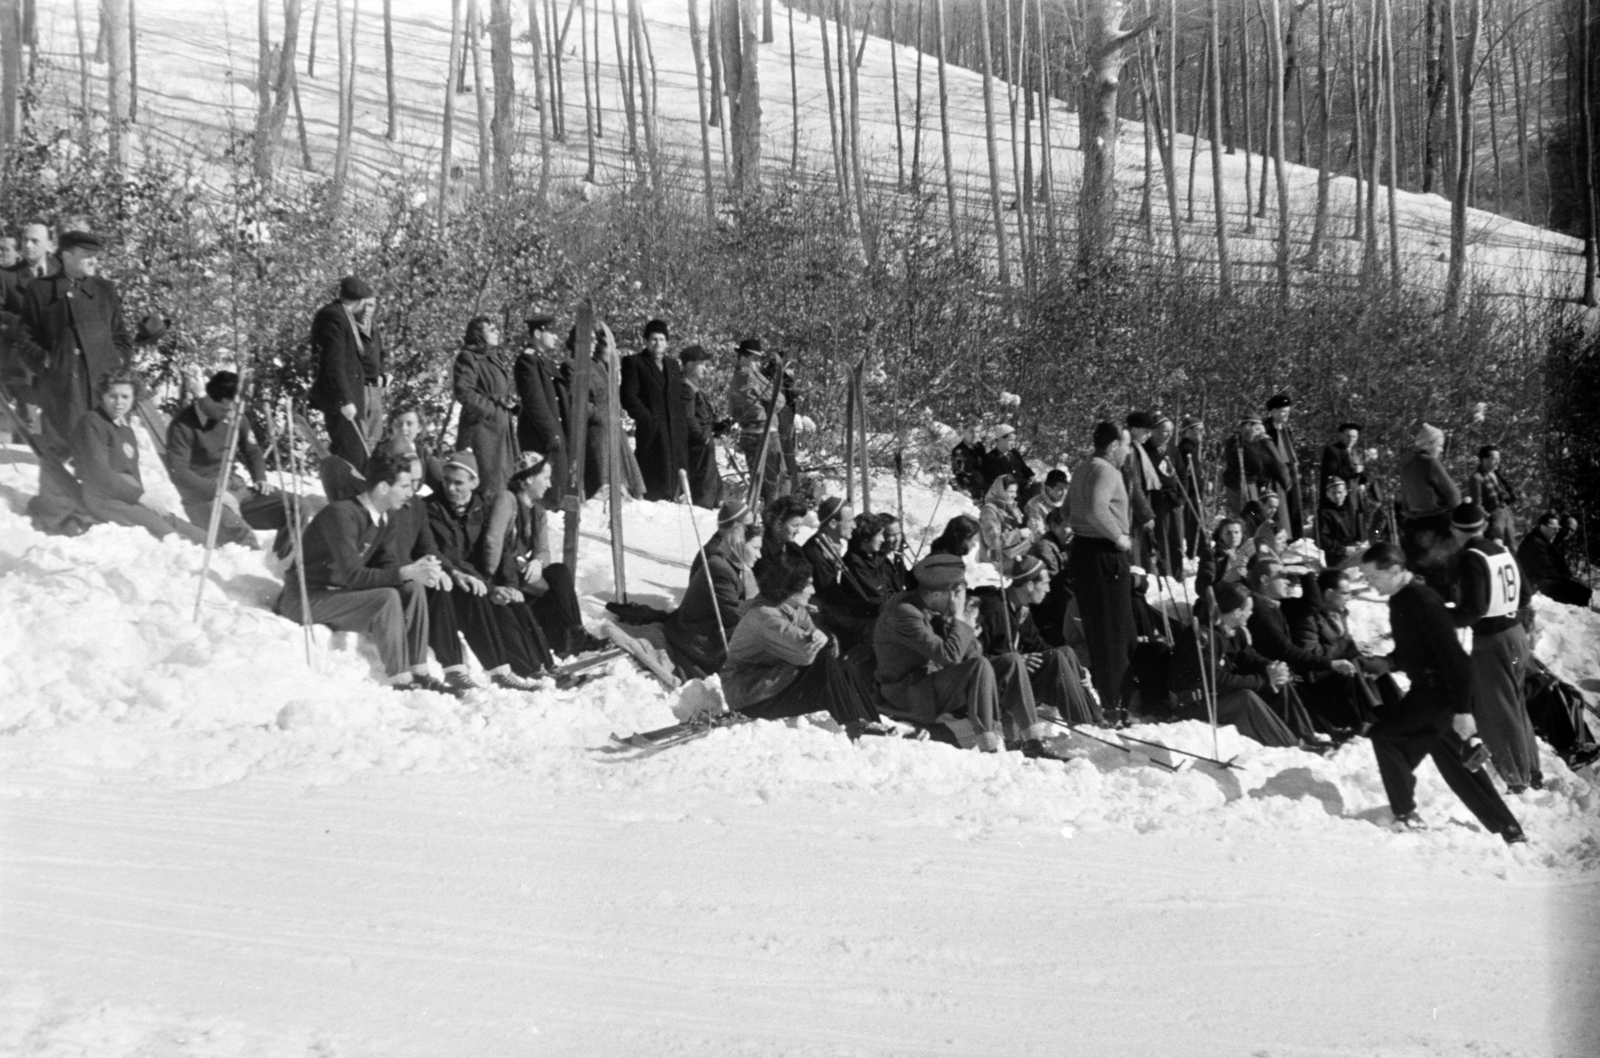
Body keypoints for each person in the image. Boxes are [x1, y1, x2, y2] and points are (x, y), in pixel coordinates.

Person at [1357, 542, 1525, 841]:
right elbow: (1418, 648)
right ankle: (1508, 829)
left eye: (1373, 576)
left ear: (1394, 570)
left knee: (1386, 738)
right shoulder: (1400, 599)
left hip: (1441, 693)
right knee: (1458, 762)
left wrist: (1463, 711)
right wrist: (1389, 662)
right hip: (1431, 690)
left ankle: (1406, 814)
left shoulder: (1423, 601)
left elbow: (1457, 660)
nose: (1369, 583)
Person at [275, 444, 447, 691]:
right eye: (405, 486)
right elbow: (354, 575)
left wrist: (419, 573)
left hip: (338, 595)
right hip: (305, 597)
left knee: (412, 588)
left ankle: (419, 671)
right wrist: (406, 572)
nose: (411, 493)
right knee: (386, 597)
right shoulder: (341, 514)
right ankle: (401, 680)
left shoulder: (385, 516)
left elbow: (389, 562)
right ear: (384, 487)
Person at [874, 553, 1048, 755]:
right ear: (937, 594)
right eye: (957, 594)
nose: (958, 600)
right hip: (910, 692)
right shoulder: (905, 613)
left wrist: (967, 630)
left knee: (1012, 661)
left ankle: (1033, 742)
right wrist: (960, 620)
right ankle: (988, 746)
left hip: (933, 682)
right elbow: (949, 656)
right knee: (978, 667)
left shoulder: (931, 606)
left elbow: (970, 655)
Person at [424, 450, 556, 690]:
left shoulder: (481, 507)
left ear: (474, 483)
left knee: (513, 603)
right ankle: (501, 671)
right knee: (482, 599)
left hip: (478, 579)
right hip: (454, 579)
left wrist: (508, 585)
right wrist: (488, 586)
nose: (450, 488)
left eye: (458, 483)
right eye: (446, 481)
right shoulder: (433, 508)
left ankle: (541, 666)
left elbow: (501, 549)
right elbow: (447, 554)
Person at [720, 555, 885, 736]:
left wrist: (825, 638)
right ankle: (853, 725)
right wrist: (824, 639)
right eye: (808, 585)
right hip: (750, 696)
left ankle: (872, 722)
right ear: (789, 588)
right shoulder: (764, 616)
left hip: (771, 683)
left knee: (843, 665)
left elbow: (822, 644)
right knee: (823, 662)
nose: (813, 591)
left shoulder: (793, 610)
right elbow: (807, 652)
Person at [1448, 503, 1540, 792]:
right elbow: (1525, 594)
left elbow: (1474, 610)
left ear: (1454, 530)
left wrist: (1444, 617)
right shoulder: (1502, 550)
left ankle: (1516, 777)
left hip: (1492, 640)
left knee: (1499, 710)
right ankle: (1531, 769)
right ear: (1484, 524)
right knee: (1515, 704)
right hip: (1516, 634)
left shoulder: (1471, 557)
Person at [482, 456, 602, 658]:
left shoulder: (537, 511)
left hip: (518, 574)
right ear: (529, 479)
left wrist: (537, 561)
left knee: (558, 571)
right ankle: (570, 638)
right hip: (503, 577)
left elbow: (544, 550)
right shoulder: (507, 500)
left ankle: (574, 634)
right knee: (553, 580)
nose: (549, 484)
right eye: (545, 478)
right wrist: (490, 581)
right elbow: (492, 541)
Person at [165, 370, 299, 549]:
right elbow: (178, 472)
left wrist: (260, 477)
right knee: (244, 537)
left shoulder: (235, 415)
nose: (231, 416)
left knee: (296, 506)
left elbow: (252, 450)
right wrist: (217, 492)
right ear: (209, 399)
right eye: (225, 410)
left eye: (235, 410)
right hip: (205, 498)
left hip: (238, 489)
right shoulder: (182, 426)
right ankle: (250, 566)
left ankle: (286, 561)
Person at [70, 369, 204, 542]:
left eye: (125, 397)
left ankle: (215, 547)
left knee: (188, 530)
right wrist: (141, 497)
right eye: (113, 396)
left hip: (128, 495)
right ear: (102, 396)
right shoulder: (92, 422)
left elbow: (133, 474)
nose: (119, 402)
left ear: (134, 398)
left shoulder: (126, 430)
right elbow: (99, 473)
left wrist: (141, 497)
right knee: (169, 535)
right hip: (104, 498)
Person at [1172, 583, 1309, 748]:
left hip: (1217, 696)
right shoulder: (1202, 638)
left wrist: (1272, 668)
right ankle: (1290, 745)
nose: (1251, 613)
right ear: (1237, 612)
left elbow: (1250, 658)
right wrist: (1264, 680)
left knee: (1280, 681)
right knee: (1246, 698)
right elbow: (1217, 680)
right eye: (1249, 610)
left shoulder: (1234, 632)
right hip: (1195, 703)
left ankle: (1305, 736)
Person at [976, 555, 1100, 728]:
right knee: (1056, 658)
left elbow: (1039, 646)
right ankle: (1083, 724)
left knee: (1065, 653)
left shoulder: (1021, 610)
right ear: (1030, 585)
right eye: (1045, 583)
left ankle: (1095, 718)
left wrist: (1077, 670)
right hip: (996, 682)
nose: (1048, 589)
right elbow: (974, 656)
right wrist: (1014, 661)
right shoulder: (994, 608)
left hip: (1015, 677)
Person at [1065, 421, 1136, 714]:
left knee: (1098, 629)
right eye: (1126, 445)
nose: (1128, 452)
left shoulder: (1083, 468)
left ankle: (1110, 697)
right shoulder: (1107, 471)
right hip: (1104, 554)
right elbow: (1097, 508)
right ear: (1113, 445)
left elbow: (1066, 511)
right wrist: (1118, 536)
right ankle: (1115, 701)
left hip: (1082, 551)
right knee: (1113, 631)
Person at [1244, 558, 1346, 741]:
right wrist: (1329, 663)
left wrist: (1306, 575)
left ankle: (1323, 733)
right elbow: (1285, 650)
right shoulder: (1259, 610)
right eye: (1281, 576)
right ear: (1265, 580)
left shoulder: (1275, 604)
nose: (1288, 581)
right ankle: (1308, 737)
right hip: (1269, 672)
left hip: (1285, 670)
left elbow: (1313, 604)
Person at [1290, 568, 1396, 733]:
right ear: (1328, 594)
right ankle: (1371, 717)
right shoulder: (1308, 618)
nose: (1349, 598)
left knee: (1378, 666)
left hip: (1342, 668)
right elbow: (1310, 652)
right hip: (1320, 676)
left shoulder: (1340, 613)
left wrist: (1359, 648)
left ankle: (1396, 711)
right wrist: (1351, 648)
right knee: (1353, 664)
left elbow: (1344, 645)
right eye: (1345, 593)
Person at [663, 499, 752, 677]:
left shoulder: (729, 547)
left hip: (714, 618)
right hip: (703, 631)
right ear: (735, 526)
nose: (753, 531)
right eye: (749, 526)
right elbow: (732, 614)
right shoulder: (718, 555)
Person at [308, 276, 384, 474]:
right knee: (350, 454)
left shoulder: (341, 315)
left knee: (355, 452)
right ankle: (343, 491)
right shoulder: (334, 317)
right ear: (359, 301)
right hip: (341, 401)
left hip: (349, 397)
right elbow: (333, 363)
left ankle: (346, 488)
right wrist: (345, 399)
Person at [619, 318, 690, 502]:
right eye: (653, 339)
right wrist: (648, 420)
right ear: (646, 341)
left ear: (667, 342)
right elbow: (628, 397)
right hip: (651, 430)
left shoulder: (673, 365)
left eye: (662, 339)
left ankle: (673, 498)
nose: (658, 343)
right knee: (654, 477)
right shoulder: (634, 363)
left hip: (674, 430)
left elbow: (679, 396)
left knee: (674, 478)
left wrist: (681, 422)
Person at [451, 315, 521, 497]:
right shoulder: (468, 357)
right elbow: (463, 391)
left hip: (499, 429)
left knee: (503, 480)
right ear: (478, 334)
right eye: (491, 329)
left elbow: (494, 389)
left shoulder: (493, 357)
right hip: (482, 431)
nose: (497, 332)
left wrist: (508, 403)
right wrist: (490, 410)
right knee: (486, 483)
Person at [513, 313, 568, 506]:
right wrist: (551, 433)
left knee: (553, 492)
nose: (556, 337)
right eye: (551, 333)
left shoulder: (542, 361)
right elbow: (535, 402)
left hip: (552, 435)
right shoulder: (527, 361)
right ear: (537, 333)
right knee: (541, 495)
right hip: (540, 437)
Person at [559, 320, 615, 500]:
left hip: (611, 426)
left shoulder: (598, 365)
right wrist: (600, 416)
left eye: (594, 340)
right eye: (589, 340)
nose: (593, 344)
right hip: (593, 431)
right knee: (600, 486)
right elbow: (577, 400)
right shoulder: (571, 365)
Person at [728, 338, 787, 502]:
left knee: (759, 481)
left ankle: (762, 510)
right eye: (755, 359)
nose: (758, 364)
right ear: (743, 357)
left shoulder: (735, 378)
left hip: (747, 433)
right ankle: (775, 512)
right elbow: (779, 400)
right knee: (776, 479)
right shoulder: (751, 376)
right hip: (765, 433)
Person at [824, 512, 893, 651]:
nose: (882, 539)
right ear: (866, 538)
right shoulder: (854, 562)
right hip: (864, 621)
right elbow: (874, 595)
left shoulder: (875, 558)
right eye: (879, 535)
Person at [1397, 423, 1461, 563]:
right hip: (1441, 521)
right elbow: (1452, 492)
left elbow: (1405, 499)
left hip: (1420, 523)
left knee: (1427, 561)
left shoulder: (1406, 466)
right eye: (1439, 445)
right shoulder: (1430, 462)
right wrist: (1460, 514)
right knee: (1448, 560)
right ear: (1430, 443)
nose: (1441, 450)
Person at [679, 344, 725, 507]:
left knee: (711, 481)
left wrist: (718, 426)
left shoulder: (694, 388)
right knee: (703, 486)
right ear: (690, 365)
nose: (706, 369)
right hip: (697, 446)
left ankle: (715, 503)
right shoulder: (686, 388)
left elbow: (702, 417)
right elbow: (688, 417)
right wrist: (702, 437)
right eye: (702, 364)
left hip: (704, 444)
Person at [1516, 511, 1591, 607]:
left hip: (1537, 580)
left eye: (1558, 528)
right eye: (1554, 529)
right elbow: (1546, 569)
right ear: (1543, 528)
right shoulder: (1536, 543)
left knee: (1580, 589)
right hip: (1531, 584)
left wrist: (1568, 576)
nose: (1557, 531)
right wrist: (1565, 579)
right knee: (1579, 590)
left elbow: (1558, 564)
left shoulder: (1543, 540)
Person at [799, 495, 851, 625]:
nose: (854, 526)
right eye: (850, 521)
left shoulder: (828, 547)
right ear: (833, 523)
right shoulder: (817, 553)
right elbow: (831, 596)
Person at [1221, 416, 1286, 520]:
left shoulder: (1236, 440)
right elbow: (1256, 464)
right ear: (1248, 426)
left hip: (1239, 485)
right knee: (1249, 515)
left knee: (1244, 515)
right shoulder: (1241, 442)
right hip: (1244, 486)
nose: (1259, 433)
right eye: (1257, 429)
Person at [1121, 411, 1161, 569]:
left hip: (1135, 512)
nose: (1149, 435)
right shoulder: (1129, 451)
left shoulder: (1137, 448)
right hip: (1132, 514)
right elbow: (1132, 485)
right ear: (1134, 430)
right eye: (1146, 431)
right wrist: (1146, 514)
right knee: (1135, 559)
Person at [1465, 445, 1519, 552]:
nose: (1498, 462)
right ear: (1485, 460)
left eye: (1499, 459)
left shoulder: (1496, 474)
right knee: (1498, 548)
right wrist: (1489, 517)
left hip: (1506, 512)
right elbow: (1477, 505)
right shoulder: (1476, 478)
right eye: (1495, 459)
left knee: (1513, 547)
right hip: (1494, 516)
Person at [1263, 392, 1302, 539]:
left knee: (1294, 507)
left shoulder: (1286, 428)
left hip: (1290, 471)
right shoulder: (1266, 429)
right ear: (1273, 412)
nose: (1286, 415)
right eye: (1283, 411)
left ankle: (1296, 538)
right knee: (1281, 510)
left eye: (1287, 411)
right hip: (1276, 474)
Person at [1319, 422, 1369, 534]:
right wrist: (1353, 470)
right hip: (1339, 497)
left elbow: (1362, 470)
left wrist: (1362, 482)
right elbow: (1331, 472)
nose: (1351, 439)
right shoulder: (1332, 450)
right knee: (1343, 528)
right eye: (1348, 436)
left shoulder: (1356, 452)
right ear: (1341, 435)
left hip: (1355, 496)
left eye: (1354, 437)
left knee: (1356, 524)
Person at [753, 494, 808, 585]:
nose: (798, 531)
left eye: (799, 526)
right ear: (778, 522)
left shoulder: (795, 550)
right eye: (794, 526)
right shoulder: (759, 550)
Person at [977, 474, 1033, 565]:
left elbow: (1019, 526)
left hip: (1016, 552)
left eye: (1015, 492)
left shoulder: (1011, 506)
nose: (1014, 495)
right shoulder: (989, 511)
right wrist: (1018, 534)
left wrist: (1028, 523)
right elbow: (992, 541)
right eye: (1010, 492)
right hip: (999, 560)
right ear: (1000, 491)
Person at [1174, 416, 1207, 559]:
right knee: (1194, 525)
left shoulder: (1192, 447)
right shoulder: (1186, 448)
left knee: (1196, 524)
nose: (1202, 433)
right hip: (1190, 493)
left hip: (1194, 492)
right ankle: (1196, 553)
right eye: (1199, 429)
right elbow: (1186, 473)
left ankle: (1199, 551)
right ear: (1188, 431)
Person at [1317, 478, 1363, 567]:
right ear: (1328, 494)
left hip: (1353, 555)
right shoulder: (1324, 514)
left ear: (1345, 492)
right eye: (1334, 493)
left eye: (1340, 492)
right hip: (1336, 560)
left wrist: (1358, 542)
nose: (1337, 496)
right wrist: (1344, 549)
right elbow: (1324, 540)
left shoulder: (1351, 510)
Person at [980, 424, 1033, 498]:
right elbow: (1005, 480)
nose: (1013, 443)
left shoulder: (1014, 453)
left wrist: (1031, 476)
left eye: (1014, 440)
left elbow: (1024, 468)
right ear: (1000, 440)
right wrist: (1025, 482)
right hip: (1009, 494)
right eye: (1010, 440)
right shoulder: (991, 458)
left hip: (1023, 488)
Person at [1023, 468, 1069, 537]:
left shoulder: (1068, 501)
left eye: (1066, 488)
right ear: (1049, 488)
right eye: (1060, 489)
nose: (1064, 493)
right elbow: (1037, 532)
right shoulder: (1035, 504)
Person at [876, 514, 910, 593]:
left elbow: (907, 580)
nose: (897, 539)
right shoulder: (878, 561)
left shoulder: (896, 557)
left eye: (899, 534)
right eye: (892, 535)